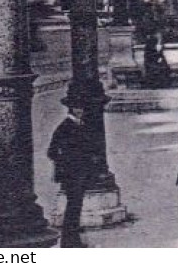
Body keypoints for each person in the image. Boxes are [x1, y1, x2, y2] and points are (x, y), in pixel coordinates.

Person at [47, 96, 98, 247]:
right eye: (77, 108)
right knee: (73, 208)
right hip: (72, 174)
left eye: (81, 108)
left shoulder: (79, 125)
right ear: (71, 109)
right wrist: (68, 163)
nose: (80, 111)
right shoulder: (65, 126)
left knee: (75, 207)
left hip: (79, 173)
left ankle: (72, 241)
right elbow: (52, 151)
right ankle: (69, 242)